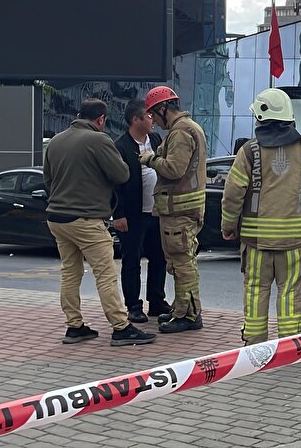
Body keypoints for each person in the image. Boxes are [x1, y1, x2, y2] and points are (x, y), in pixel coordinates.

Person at [220, 88, 301, 344]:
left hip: (257, 243)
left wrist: (229, 225)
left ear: (261, 116)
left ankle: (255, 347)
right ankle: (290, 346)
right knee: (291, 292)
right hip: (293, 242)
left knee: (256, 291)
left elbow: (234, 191)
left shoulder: (249, 151)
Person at [43, 98, 155, 346]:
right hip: (86, 218)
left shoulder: (56, 141)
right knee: (105, 273)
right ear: (101, 119)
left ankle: (74, 326)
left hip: (57, 218)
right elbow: (122, 174)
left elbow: (48, 179)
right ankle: (121, 326)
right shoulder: (99, 140)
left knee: (70, 272)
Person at [140, 85, 208, 333]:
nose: (155, 123)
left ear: (163, 108)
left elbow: (174, 169)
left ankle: (188, 315)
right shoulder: (190, 128)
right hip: (185, 209)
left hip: (178, 210)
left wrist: (150, 159)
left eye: (154, 116)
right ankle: (183, 308)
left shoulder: (180, 132)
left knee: (181, 263)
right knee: (183, 260)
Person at [111, 100, 169, 323]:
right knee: (132, 260)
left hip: (156, 212)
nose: (152, 119)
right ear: (135, 120)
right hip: (133, 215)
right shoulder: (121, 146)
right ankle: (133, 306)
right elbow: (115, 184)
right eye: (148, 116)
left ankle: (157, 301)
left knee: (159, 257)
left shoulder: (155, 140)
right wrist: (118, 214)